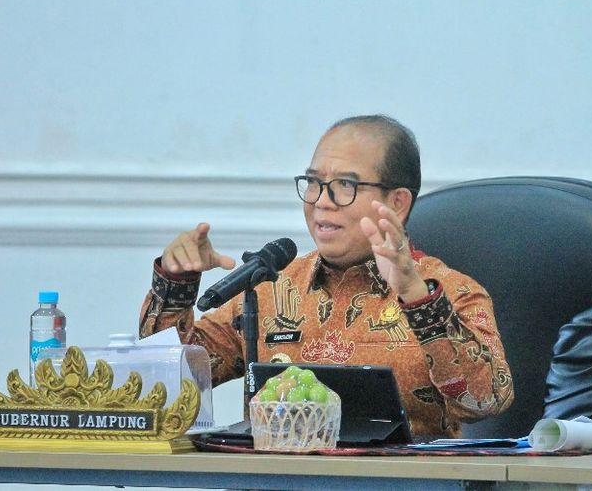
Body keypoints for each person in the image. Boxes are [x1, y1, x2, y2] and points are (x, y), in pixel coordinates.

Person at [139, 114, 514, 437]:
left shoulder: (451, 291)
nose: (321, 200)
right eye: (314, 183)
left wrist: (416, 297)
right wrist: (176, 285)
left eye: (345, 185)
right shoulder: (272, 288)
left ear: (397, 202)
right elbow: (170, 383)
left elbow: (486, 400)